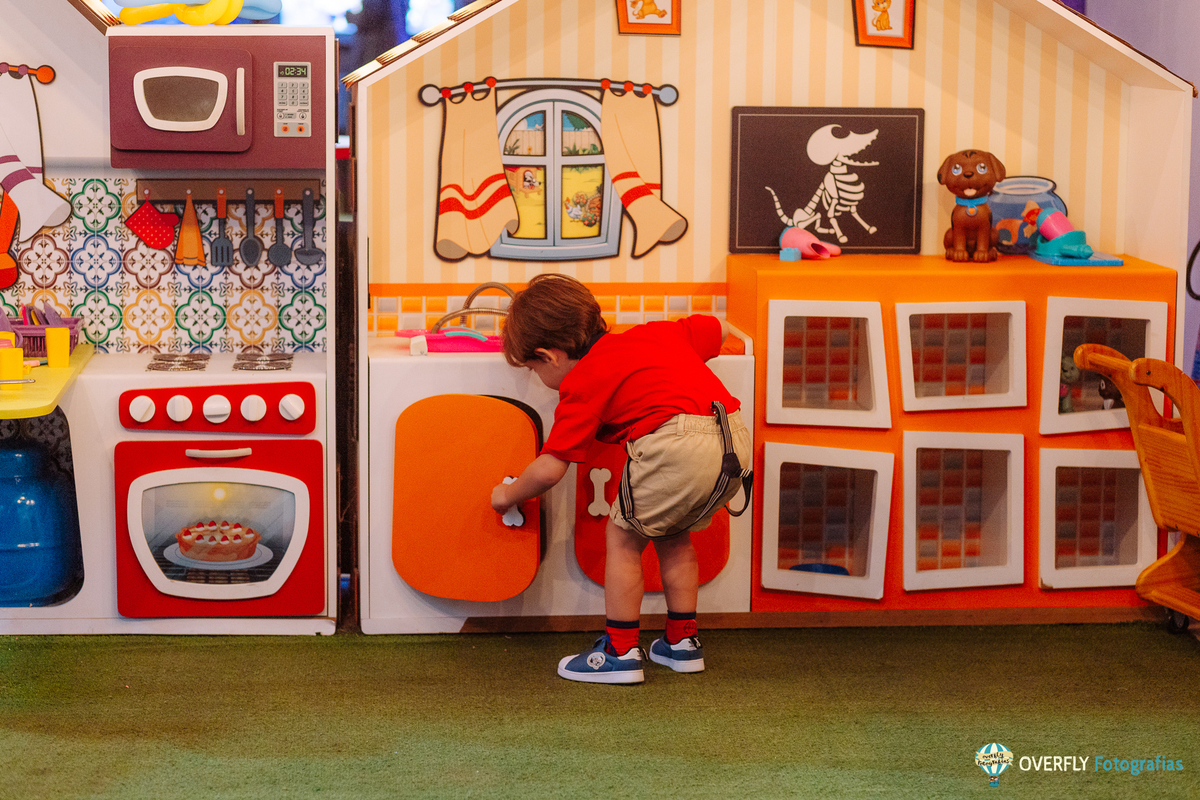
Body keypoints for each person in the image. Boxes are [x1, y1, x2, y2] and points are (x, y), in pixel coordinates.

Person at [490, 274, 752, 684]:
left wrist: (506, 495)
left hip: (675, 444)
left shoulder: (583, 381)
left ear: (549, 356)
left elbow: (550, 468)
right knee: (675, 536)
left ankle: (621, 652)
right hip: (732, 439)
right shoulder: (655, 334)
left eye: (533, 368)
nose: (538, 376)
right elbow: (717, 329)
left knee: (623, 540)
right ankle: (682, 643)